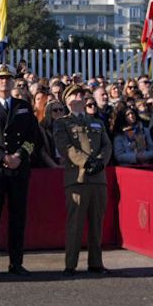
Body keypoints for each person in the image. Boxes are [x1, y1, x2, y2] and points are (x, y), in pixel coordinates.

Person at [0, 63, 37, 276]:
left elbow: (32, 136)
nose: (5, 82)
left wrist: (19, 156)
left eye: (8, 78)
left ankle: (16, 262)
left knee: (17, 218)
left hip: (19, 170)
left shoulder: (24, 106)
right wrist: (3, 157)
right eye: (0, 79)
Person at [53, 83, 113, 275]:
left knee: (97, 223)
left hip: (98, 178)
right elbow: (66, 148)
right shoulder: (62, 123)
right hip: (77, 179)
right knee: (75, 225)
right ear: (67, 100)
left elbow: (107, 145)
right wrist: (87, 162)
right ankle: (70, 264)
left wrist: (101, 162)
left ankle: (96, 263)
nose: (78, 97)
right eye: (74, 94)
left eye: (81, 93)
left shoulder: (97, 122)